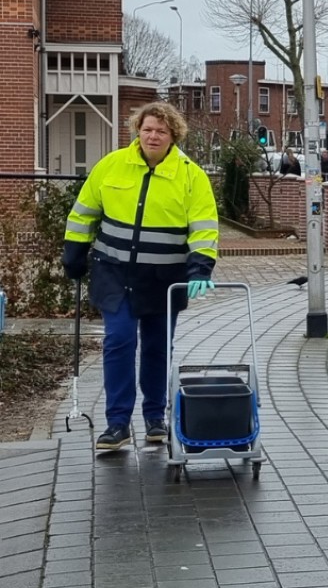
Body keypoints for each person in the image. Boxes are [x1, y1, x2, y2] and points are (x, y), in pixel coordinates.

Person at [61, 101, 219, 451]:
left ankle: (154, 418)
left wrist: (200, 266)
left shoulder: (191, 175)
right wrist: (74, 251)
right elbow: (84, 210)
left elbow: (204, 226)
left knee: (157, 348)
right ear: (137, 130)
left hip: (165, 279)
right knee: (119, 341)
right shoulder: (112, 166)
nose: (153, 135)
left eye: (161, 131)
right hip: (114, 272)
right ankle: (117, 423)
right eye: (147, 129)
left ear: (173, 135)